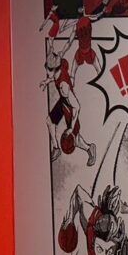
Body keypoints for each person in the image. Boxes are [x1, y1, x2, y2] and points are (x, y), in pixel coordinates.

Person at [41, 38, 96, 167]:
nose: (47, 72)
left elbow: (77, 106)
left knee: (75, 139)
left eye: (49, 70)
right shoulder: (59, 65)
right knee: (49, 121)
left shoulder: (64, 87)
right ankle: (56, 148)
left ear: (55, 69)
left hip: (70, 108)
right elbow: (54, 76)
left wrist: (71, 127)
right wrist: (46, 81)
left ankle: (89, 148)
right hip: (63, 101)